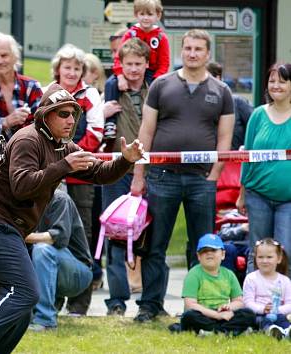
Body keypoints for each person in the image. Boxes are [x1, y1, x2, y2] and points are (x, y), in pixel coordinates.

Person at [0, 83, 143, 353]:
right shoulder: (27, 139)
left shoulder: (62, 146)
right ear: (46, 115)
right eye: (63, 114)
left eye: (73, 114)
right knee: (25, 294)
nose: (70, 120)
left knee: (20, 308)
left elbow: (100, 173)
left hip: (7, 230)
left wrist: (125, 161)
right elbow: (22, 186)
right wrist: (64, 167)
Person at [131, 29, 235, 323]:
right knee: (155, 245)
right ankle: (150, 306)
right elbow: (145, 133)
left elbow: (224, 138)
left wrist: (214, 176)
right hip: (161, 177)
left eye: (198, 49)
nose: (191, 53)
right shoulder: (161, 86)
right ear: (182, 51)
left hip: (202, 180)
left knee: (202, 245)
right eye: (187, 48)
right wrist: (139, 176)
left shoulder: (221, 91)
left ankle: (199, 306)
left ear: (207, 54)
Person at [48, 43, 104, 316]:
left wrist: (73, 157)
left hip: (82, 174)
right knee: (53, 235)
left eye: (77, 68)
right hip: (53, 176)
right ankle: (53, 299)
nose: (71, 72)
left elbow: (97, 131)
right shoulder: (47, 92)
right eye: (67, 67)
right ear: (58, 69)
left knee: (82, 235)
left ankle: (80, 304)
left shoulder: (90, 94)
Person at [100, 38, 151, 316]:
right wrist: (102, 110)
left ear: (146, 64)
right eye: (128, 64)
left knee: (149, 235)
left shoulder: (155, 89)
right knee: (115, 233)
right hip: (117, 168)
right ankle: (117, 301)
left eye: (138, 64)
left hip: (151, 169)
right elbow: (95, 125)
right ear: (121, 64)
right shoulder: (112, 88)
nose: (133, 69)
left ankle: (150, 302)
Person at [237, 63, 291, 274]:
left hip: (288, 200)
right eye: (272, 81)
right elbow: (246, 155)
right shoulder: (258, 115)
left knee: (284, 252)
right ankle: (252, 304)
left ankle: (283, 303)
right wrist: (242, 194)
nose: (276, 85)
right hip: (257, 196)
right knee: (257, 251)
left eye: (282, 81)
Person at [26, 189, 93, 331]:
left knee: (42, 250)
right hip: (52, 265)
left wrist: (22, 235)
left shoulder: (59, 199)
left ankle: (45, 321)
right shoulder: (20, 201)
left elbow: (58, 238)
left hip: (78, 273)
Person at [179, 234, 256, 336]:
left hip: (223, 314)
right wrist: (215, 315)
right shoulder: (193, 274)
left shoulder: (229, 274)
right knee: (189, 316)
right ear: (198, 256)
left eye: (214, 250)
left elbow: (239, 302)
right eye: (205, 251)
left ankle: (213, 332)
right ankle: (229, 331)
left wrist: (228, 307)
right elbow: (190, 305)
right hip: (204, 314)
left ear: (223, 254)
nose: (209, 253)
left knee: (248, 313)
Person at [243, 238, 291, 338]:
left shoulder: (285, 280)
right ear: (255, 258)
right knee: (259, 320)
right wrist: (263, 309)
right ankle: (272, 331)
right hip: (259, 315)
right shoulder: (251, 278)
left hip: (279, 314)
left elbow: (289, 304)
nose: (264, 261)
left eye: (269, 257)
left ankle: (287, 331)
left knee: (283, 320)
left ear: (279, 259)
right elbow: (248, 302)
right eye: (260, 257)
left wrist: (276, 310)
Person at [206, 62, 254, 150]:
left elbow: (256, 128)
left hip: (237, 160)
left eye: (206, 78)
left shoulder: (238, 103)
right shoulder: (201, 106)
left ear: (218, 78)